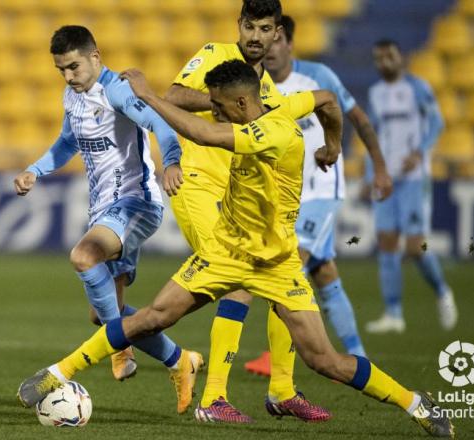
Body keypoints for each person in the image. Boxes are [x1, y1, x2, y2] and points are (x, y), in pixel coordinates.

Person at [17, 60, 454, 438]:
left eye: (222, 107)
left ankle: (415, 403)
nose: (218, 112)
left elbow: (204, 135)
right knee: (153, 316)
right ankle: (57, 374)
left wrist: (148, 95)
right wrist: (334, 144)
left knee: (325, 361)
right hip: (224, 251)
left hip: (276, 264)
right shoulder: (281, 103)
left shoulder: (273, 134)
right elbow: (326, 100)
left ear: (242, 106)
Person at [13, 25, 201, 414]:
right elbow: (68, 141)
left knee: (83, 257)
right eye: (61, 69)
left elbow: (161, 123)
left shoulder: (116, 90)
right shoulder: (72, 94)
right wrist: (36, 170)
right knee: (102, 315)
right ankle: (180, 361)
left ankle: (122, 346)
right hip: (104, 208)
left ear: (95, 58)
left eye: (74, 67)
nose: (67, 76)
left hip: (136, 203)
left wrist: (171, 162)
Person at [164, 0, 329, 422]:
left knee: (284, 276)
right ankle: (213, 398)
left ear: (278, 33)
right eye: (250, 26)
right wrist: (218, 101)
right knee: (238, 279)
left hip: (242, 203)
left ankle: (283, 390)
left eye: (266, 28)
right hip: (196, 184)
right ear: (239, 25)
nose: (256, 36)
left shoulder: (267, 92)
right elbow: (174, 96)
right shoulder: (216, 55)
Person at [243, 14, 392, 385]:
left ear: (287, 42)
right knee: (325, 275)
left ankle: (277, 359)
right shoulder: (254, 85)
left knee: (286, 265)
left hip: (321, 193)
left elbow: (358, 118)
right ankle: (357, 354)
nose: (270, 49)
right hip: (285, 198)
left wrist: (380, 166)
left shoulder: (318, 78)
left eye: (276, 41)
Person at [364, 39, 458, 334]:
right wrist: (371, 174)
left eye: (389, 56)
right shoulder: (375, 94)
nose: (384, 63)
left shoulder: (418, 88)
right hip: (387, 180)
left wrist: (420, 152)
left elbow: (437, 124)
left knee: (415, 248)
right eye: (379, 58)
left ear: (400, 58)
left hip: (415, 179)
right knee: (388, 244)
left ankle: (443, 292)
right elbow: (371, 135)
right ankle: (393, 314)